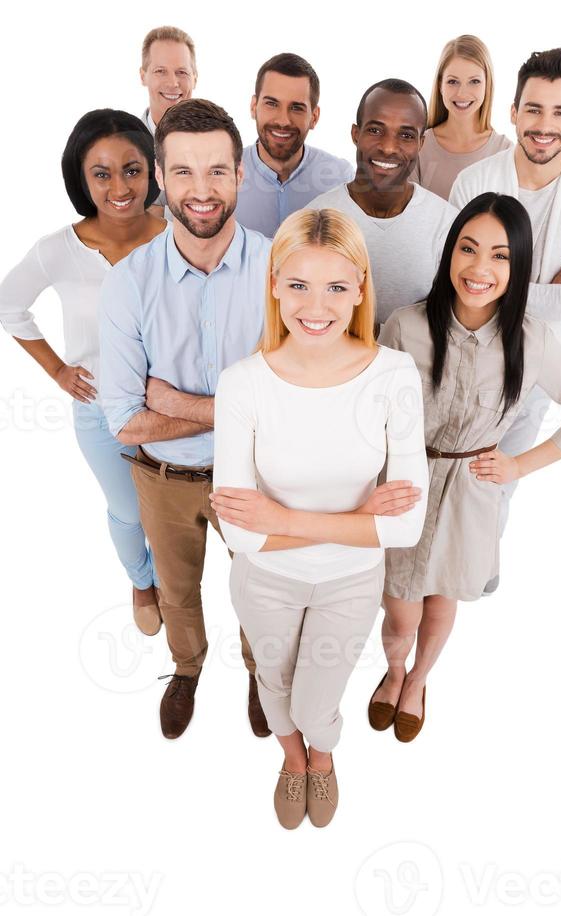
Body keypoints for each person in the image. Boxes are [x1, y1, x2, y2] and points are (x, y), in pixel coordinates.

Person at [368, 193, 561, 742]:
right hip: (407, 488)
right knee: (399, 614)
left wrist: (519, 467)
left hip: (473, 494)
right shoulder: (405, 326)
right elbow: (370, 414)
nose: (480, 269)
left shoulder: (531, 340)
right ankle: (393, 671)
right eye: (468, 249)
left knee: (441, 604)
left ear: (518, 266)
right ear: (449, 253)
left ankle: (418, 683)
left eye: (500, 256)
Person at [210, 208, 428, 828]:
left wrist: (280, 516)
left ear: (360, 289)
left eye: (336, 287)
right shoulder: (242, 384)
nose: (317, 306)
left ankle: (323, 758)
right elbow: (240, 532)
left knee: (316, 697)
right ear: (274, 284)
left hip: (349, 582)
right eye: (299, 284)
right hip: (264, 581)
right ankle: (293, 760)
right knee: (273, 685)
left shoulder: (393, 375)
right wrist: (359, 518)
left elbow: (405, 529)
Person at [98, 99, 272, 741]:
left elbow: (291, 404)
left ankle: (264, 673)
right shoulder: (128, 284)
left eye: (218, 172)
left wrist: (174, 404)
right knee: (176, 589)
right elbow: (124, 421)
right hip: (162, 478)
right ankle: (186, 668)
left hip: (251, 473)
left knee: (261, 585)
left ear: (240, 175)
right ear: (160, 179)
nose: (202, 192)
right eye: (184, 173)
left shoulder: (279, 270)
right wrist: (232, 411)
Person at [0, 110, 166, 635]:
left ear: (154, 172)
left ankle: (179, 589)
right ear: (82, 179)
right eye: (103, 173)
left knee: (171, 511)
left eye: (133, 170)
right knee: (130, 512)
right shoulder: (57, 250)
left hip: (174, 408)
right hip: (100, 413)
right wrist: (58, 371)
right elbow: (8, 306)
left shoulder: (178, 233)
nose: (120, 187)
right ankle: (142, 582)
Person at [450, 48, 561, 564]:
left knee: (498, 483)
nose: (545, 126)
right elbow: (453, 283)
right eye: (534, 110)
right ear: (514, 113)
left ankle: (476, 572)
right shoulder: (475, 183)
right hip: (463, 358)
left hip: (533, 367)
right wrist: (542, 287)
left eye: (560, 112)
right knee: (450, 475)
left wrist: (496, 283)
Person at [306, 78, 458, 330]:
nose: (388, 147)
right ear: (356, 134)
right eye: (375, 130)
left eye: (406, 135)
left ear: (421, 143)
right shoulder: (315, 219)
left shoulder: (447, 224)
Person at [235, 52, 353, 238]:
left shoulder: (341, 179)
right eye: (272, 104)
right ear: (253, 107)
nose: (283, 120)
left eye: (296, 108)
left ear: (314, 117)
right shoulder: (221, 174)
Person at [409, 34, 511, 200]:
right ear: (440, 85)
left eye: (474, 81)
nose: (462, 93)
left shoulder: (504, 150)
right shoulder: (419, 147)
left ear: (487, 84)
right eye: (453, 82)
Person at [139, 25, 198, 210]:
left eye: (182, 72)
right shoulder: (122, 145)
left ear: (194, 78)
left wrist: (160, 214)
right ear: (143, 76)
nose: (173, 83)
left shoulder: (220, 142)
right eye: (160, 71)